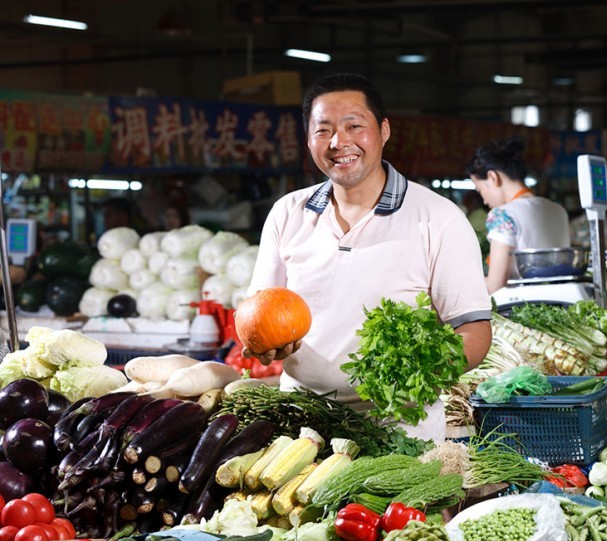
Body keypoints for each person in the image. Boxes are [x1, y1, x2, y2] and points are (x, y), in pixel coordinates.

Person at [244, 73, 493, 442]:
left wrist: (417, 373)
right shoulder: (288, 213)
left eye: (353, 126)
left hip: (400, 428)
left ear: (384, 130)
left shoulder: (438, 218)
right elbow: (260, 311)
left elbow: (474, 330)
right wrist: (265, 346)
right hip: (301, 426)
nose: (338, 142)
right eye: (323, 130)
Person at [467, 137, 571, 293]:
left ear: (493, 177)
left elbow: (495, 285)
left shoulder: (503, 215)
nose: (484, 200)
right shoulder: (558, 210)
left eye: (480, 189)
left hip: (519, 308)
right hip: (559, 303)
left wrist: (453, 289)